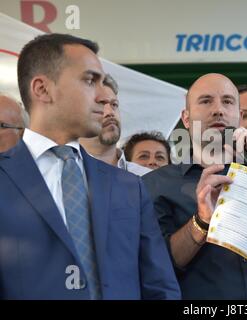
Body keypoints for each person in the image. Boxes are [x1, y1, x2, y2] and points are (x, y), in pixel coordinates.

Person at [0, 33, 180, 299]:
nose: (102, 96)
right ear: (42, 89)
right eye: (89, 80)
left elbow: (160, 287)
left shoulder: (129, 187)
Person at [142, 73, 247, 299]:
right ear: (186, 118)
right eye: (205, 101)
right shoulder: (155, 184)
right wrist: (201, 222)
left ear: (236, 115)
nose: (218, 110)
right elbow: (157, 266)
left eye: (228, 102)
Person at [79, 74, 150, 176]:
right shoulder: (63, 176)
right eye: (100, 104)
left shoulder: (146, 178)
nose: (110, 112)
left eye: (114, 105)